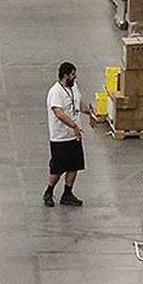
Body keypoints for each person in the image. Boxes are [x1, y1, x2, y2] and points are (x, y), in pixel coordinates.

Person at [43, 60, 87, 208]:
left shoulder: (73, 88)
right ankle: (49, 192)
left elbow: (78, 103)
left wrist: (90, 111)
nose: (75, 77)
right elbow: (59, 113)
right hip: (60, 137)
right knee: (57, 168)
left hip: (74, 136)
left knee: (74, 166)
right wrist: (74, 125)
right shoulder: (55, 92)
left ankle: (67, 193)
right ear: (65, 75)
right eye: (73, 75)